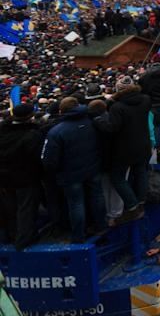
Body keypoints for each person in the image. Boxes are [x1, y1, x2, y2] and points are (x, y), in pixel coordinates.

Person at [42, 96, 107, 241]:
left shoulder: (56, 131)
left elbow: (50, 160)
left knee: (76, 203)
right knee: (97, 196)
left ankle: (79, 234)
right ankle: (101, 226)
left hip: (70, 174)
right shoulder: (92, 122)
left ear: (61, 111)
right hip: (93, 167)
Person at [95, 75, 152, 221]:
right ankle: (141, 201)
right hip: (144, 144)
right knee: (141, 172)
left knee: (117, 177)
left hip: (125, 149)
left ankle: (133, 206)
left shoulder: (118, 107)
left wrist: (99, 120)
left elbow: (112, 128)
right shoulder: (145, 100)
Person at [0, 103, 44, 249]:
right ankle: (24, 239)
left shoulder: (3, 131)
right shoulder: (32, 135)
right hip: (26, 178)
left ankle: (14, 235)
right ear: (30, 116)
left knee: (11, 207)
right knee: (25, 209)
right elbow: (37, 158)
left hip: (5, 178)